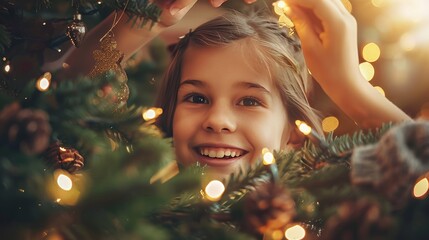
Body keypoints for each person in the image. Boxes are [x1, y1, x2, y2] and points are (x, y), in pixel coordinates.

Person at [53, 0, 411, 179]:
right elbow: (73, 98)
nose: (218, 120)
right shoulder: (129, 202)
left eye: (250, 100)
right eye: (195, 97)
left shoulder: (333, 218)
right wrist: (143, 18)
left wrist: (350, 88)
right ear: (168, 117)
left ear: (295, 134)